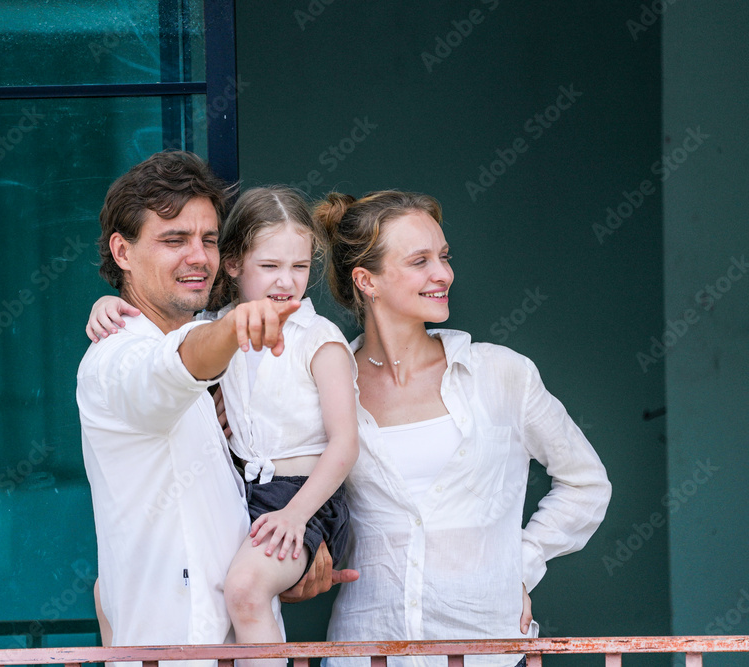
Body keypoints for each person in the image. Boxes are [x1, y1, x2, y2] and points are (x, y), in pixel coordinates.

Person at [315, 191, 612, 667]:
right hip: (366, 649)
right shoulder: (326, 388)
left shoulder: (500, 374)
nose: (444, 274)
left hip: (487, 652)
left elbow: (586, 482)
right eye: (420, 261)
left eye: (445, 257)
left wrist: (520, 566)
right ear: (366, 280)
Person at [76, 153, 353, 664]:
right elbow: (172, 365)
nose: (198, 256)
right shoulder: (118, 359)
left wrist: (286, 562)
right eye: (174, 240)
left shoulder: (224, 350)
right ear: (122, 251)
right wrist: (232, 329)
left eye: (207, 239)